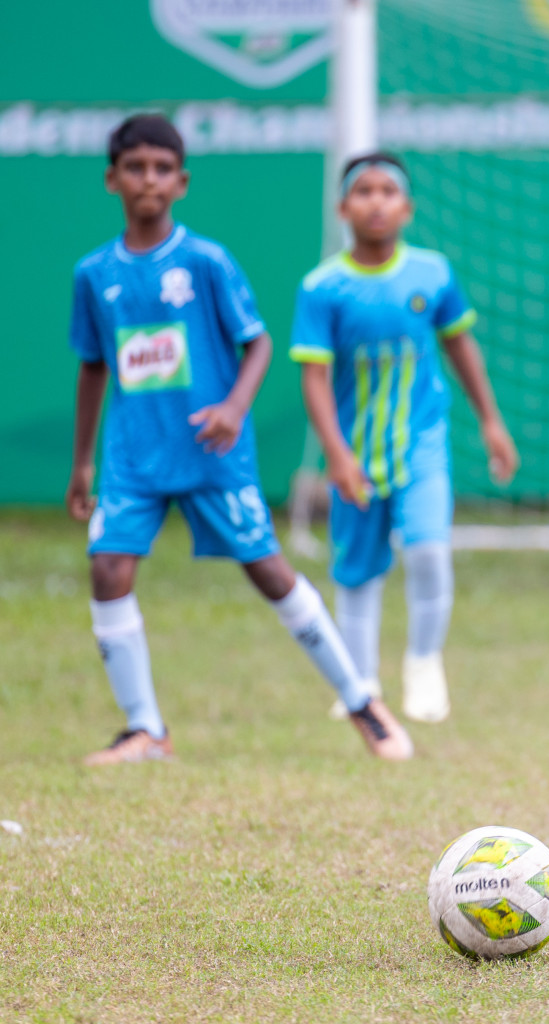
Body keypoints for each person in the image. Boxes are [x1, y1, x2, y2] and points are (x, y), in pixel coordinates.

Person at [66, 114, 412, 764]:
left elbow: (258, 343)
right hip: (132, 456)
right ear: (112, 178)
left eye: (162, 168)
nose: (149, 179)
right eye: (135, 167)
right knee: (108, 569)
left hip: (212, 453)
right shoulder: (94, 274)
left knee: (270, 572)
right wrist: (82, 462)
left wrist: (232, 407)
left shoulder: (205, 261)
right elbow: (93, 364)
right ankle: (146, 729)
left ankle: (364, 703)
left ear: (182, 182)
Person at [291, 152, 517, 725]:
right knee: (358, 569)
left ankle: (423, 663)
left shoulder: (433, 274)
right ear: (343, 207)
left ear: (407, 208)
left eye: (387, 191)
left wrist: (491, 421)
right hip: (357, 457)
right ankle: (360, 684)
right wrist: (335, 457)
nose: (375, 201)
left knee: (428, 550)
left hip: (422, 446)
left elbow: (460, 347)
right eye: (362, 191)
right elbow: (313, 380)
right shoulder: (323, 287)